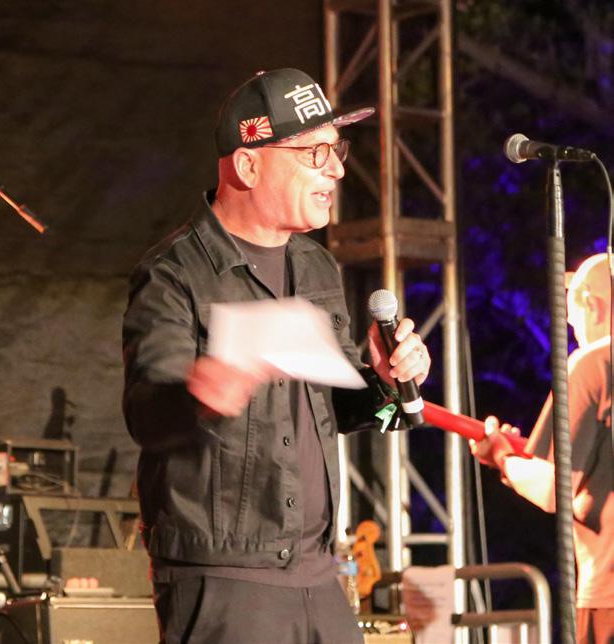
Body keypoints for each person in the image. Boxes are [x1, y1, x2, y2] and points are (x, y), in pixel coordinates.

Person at [122, 68, 431, 644]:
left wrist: (384, 384)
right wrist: (201, 393)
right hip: (227, 580)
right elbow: (147, 415)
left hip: (319, 572)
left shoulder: (316, 267)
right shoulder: (175, 274)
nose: (336, 169)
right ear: (248, 165)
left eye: (335, 149)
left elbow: (337, 410)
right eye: (315, 152)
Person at [471, 253, 613, 644]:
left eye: (573, 317)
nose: (573, 329)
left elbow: (555, 490)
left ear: (590, 303)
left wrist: (503, 457)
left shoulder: (593, 364)